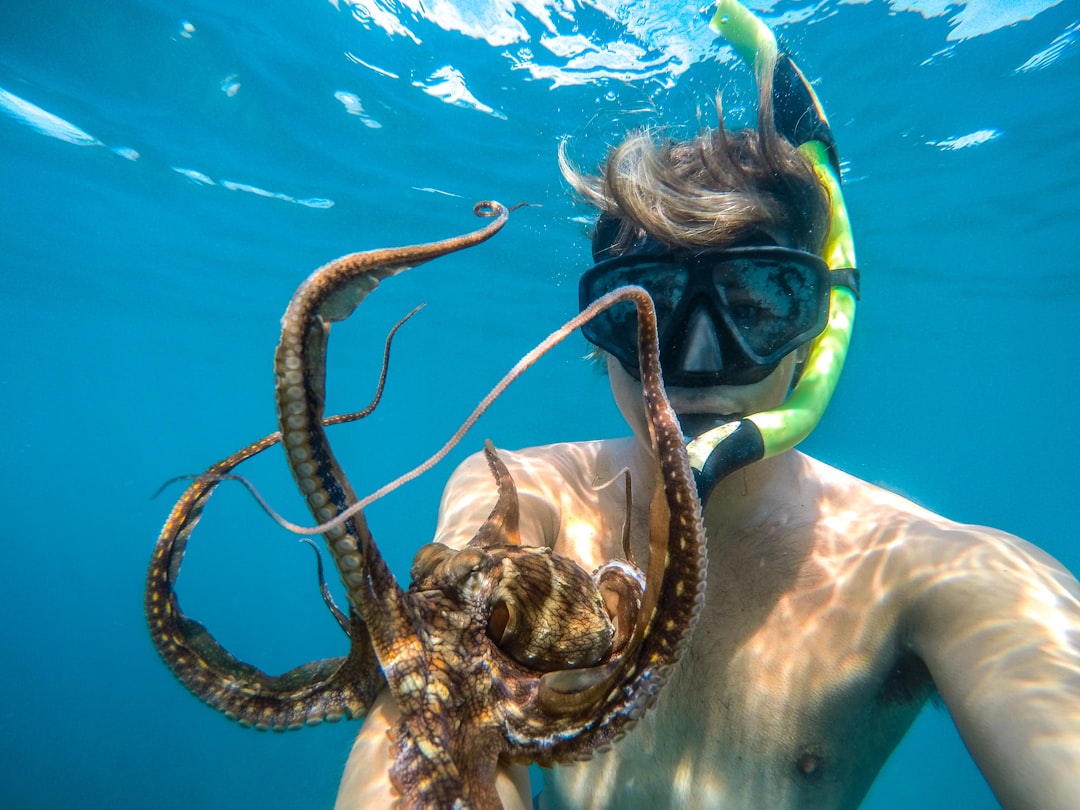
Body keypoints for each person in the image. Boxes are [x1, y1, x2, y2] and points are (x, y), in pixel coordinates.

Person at [335, 1, 1080, 807]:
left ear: (816, 332)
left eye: (756, 304)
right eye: (643, 308)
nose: (689, 366)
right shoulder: (524, 495)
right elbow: (438, 710)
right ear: (597, 328)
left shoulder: (938, 571)